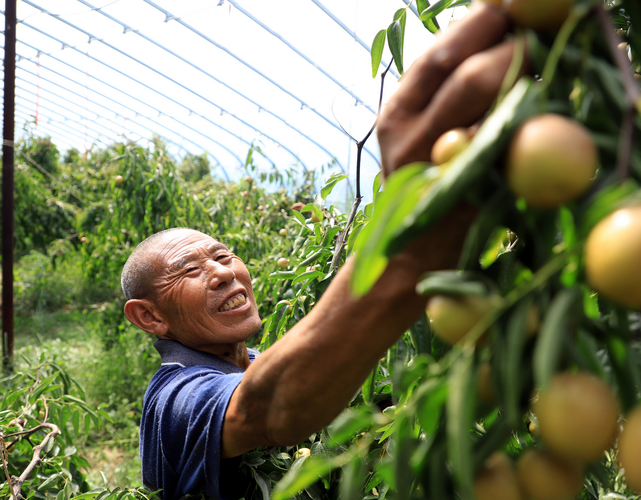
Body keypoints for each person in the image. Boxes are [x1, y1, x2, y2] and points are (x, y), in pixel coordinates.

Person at [121, 3, 518, 499]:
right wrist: (406, 250)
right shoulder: (176, 397)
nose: (222, 274)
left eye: (223, 256)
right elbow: (268, 408)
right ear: (149, 317)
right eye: (189, 270)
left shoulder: (250, 359)